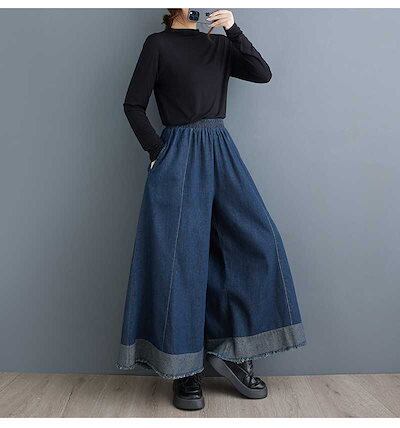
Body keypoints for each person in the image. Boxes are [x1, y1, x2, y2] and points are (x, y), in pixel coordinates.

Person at [117, 8, 306, 411]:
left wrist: (233, 28)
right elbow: (133, 104)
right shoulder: (157, 44)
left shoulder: (218, 44)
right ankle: (186, 370)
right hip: (178, 153)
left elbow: (261, 73)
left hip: (220, 149)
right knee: (181, 262)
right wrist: (157, 151)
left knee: (259, 242)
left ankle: (233, 353)